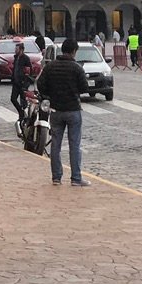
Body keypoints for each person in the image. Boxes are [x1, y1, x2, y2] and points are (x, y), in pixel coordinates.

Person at [37, 37, 90, 187]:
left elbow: (40, 84)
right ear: (74, 51)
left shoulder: (50, 67)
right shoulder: (77, 68)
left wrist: (50, 95)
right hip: (73, 109)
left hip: (56, 110)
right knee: (74, 145)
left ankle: (56, 177)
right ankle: (76, 178)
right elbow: (85, 88)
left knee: (55, 144)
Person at [10, 41, 33, 121]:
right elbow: (14, 69)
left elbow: (29, 71)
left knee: (24, 102)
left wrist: (25, 83)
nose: (15, 50)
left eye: (17, 49)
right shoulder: (16, 58)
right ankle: (21, 112)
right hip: (16, 83)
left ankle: (25, 117)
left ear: (21, 50)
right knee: (13, 99)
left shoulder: (26, 58)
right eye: (15, 49)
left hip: (22, 83)